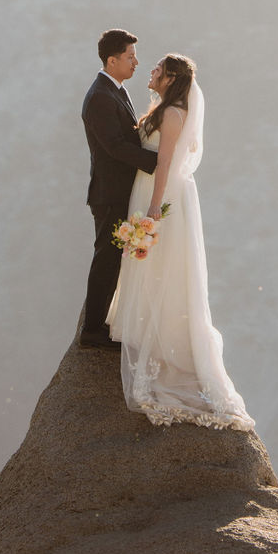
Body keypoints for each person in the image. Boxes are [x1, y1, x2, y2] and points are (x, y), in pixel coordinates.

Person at [107, 53, 253, 430]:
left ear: (171, 77)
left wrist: (154, 207)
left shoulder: (173, 115)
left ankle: (166, 344)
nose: (150, 72)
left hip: (162, 194)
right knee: (151, 264)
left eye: (156, 69)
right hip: (149, 191)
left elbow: (166, 162)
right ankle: (146, 329)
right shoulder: (162, 109)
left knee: (164, 267)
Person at [80, 29, 159, 349]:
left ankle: (99, 323)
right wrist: (157, 162)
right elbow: (113, 146)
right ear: (111, 60)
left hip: (118, 191)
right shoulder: (100, 95)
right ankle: (92, 330)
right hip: (109, 193)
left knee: (112, 257)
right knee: (107, 258)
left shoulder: (115, 90)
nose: (136, 62)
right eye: (130, 57)